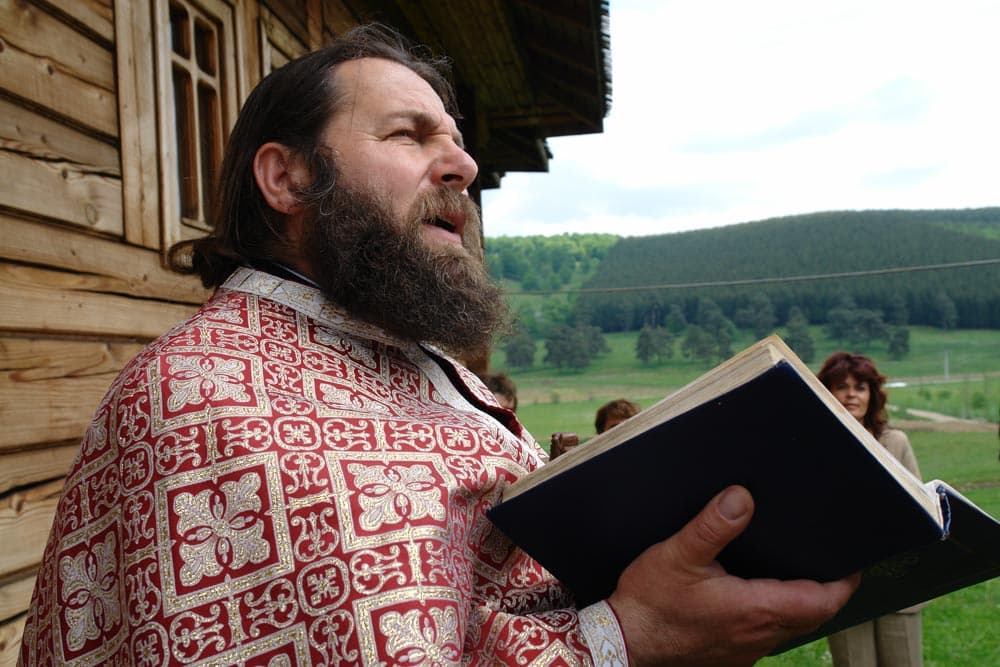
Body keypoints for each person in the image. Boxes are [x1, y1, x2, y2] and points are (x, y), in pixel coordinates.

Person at [19, 24, 856, 666]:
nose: (462, 164)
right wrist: (628, 635)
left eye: (455, 139)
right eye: (409, 135)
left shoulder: (421, 364)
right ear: (288, 177)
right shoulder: (204, 396)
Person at [818, 351, 924, 667]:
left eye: (860, 387)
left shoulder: (896, 442)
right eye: (842, 386)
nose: (851, 394)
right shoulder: (814, 445)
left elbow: (922, 510)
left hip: (897, 580)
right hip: (843, 582)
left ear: (872, 395)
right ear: (826, 392)